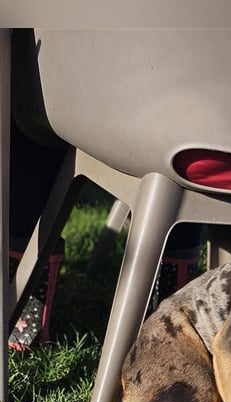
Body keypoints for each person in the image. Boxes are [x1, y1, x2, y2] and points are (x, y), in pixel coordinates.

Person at [7, 118, 204, 350]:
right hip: (215, 143)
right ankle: (173, 325)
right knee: (191, 127)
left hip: (91, 117)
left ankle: (18, 306)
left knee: (34, 118)